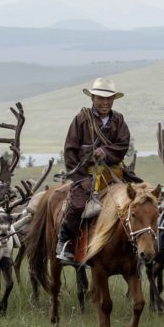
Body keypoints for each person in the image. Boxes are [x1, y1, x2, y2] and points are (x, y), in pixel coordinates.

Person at [56, 77, 137, 264]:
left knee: (140, 199)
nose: (105, 102)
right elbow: (70, 150)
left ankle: (137, 246)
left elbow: (123, 145)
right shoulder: (81, 119)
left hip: (114, 173)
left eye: (109, 98)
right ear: (92, 98)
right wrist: (79, 178)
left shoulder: (119, 120)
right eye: (101, 98)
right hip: (86, 175)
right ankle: (65, 242)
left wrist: (105, 152)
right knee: (77, 205)